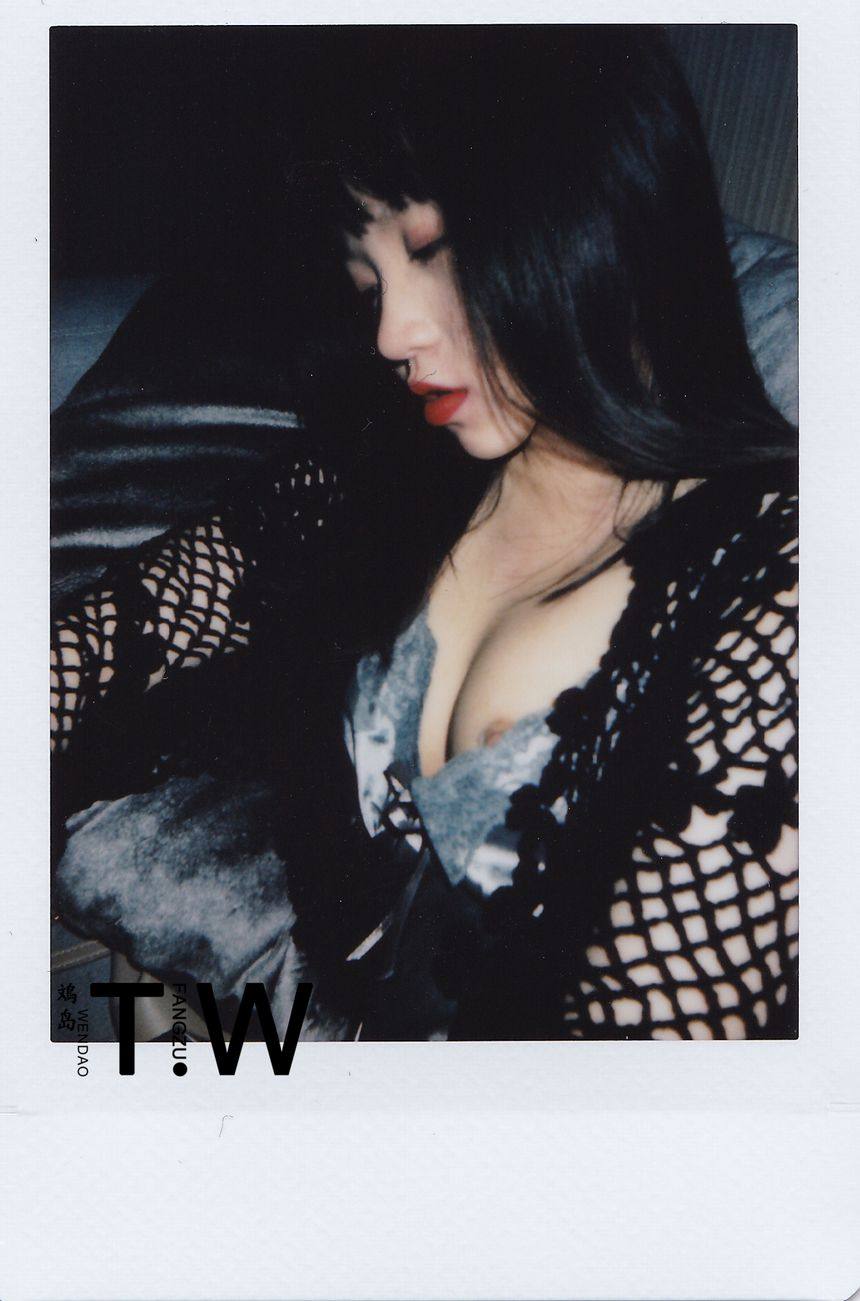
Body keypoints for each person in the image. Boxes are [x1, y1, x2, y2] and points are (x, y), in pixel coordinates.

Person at [51, 27, 798, 1041]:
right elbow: (124, 628)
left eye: (433, 250)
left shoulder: (779, 579)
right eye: (368, 281)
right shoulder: (398, 465)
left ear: (594, 211)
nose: (390, 334)